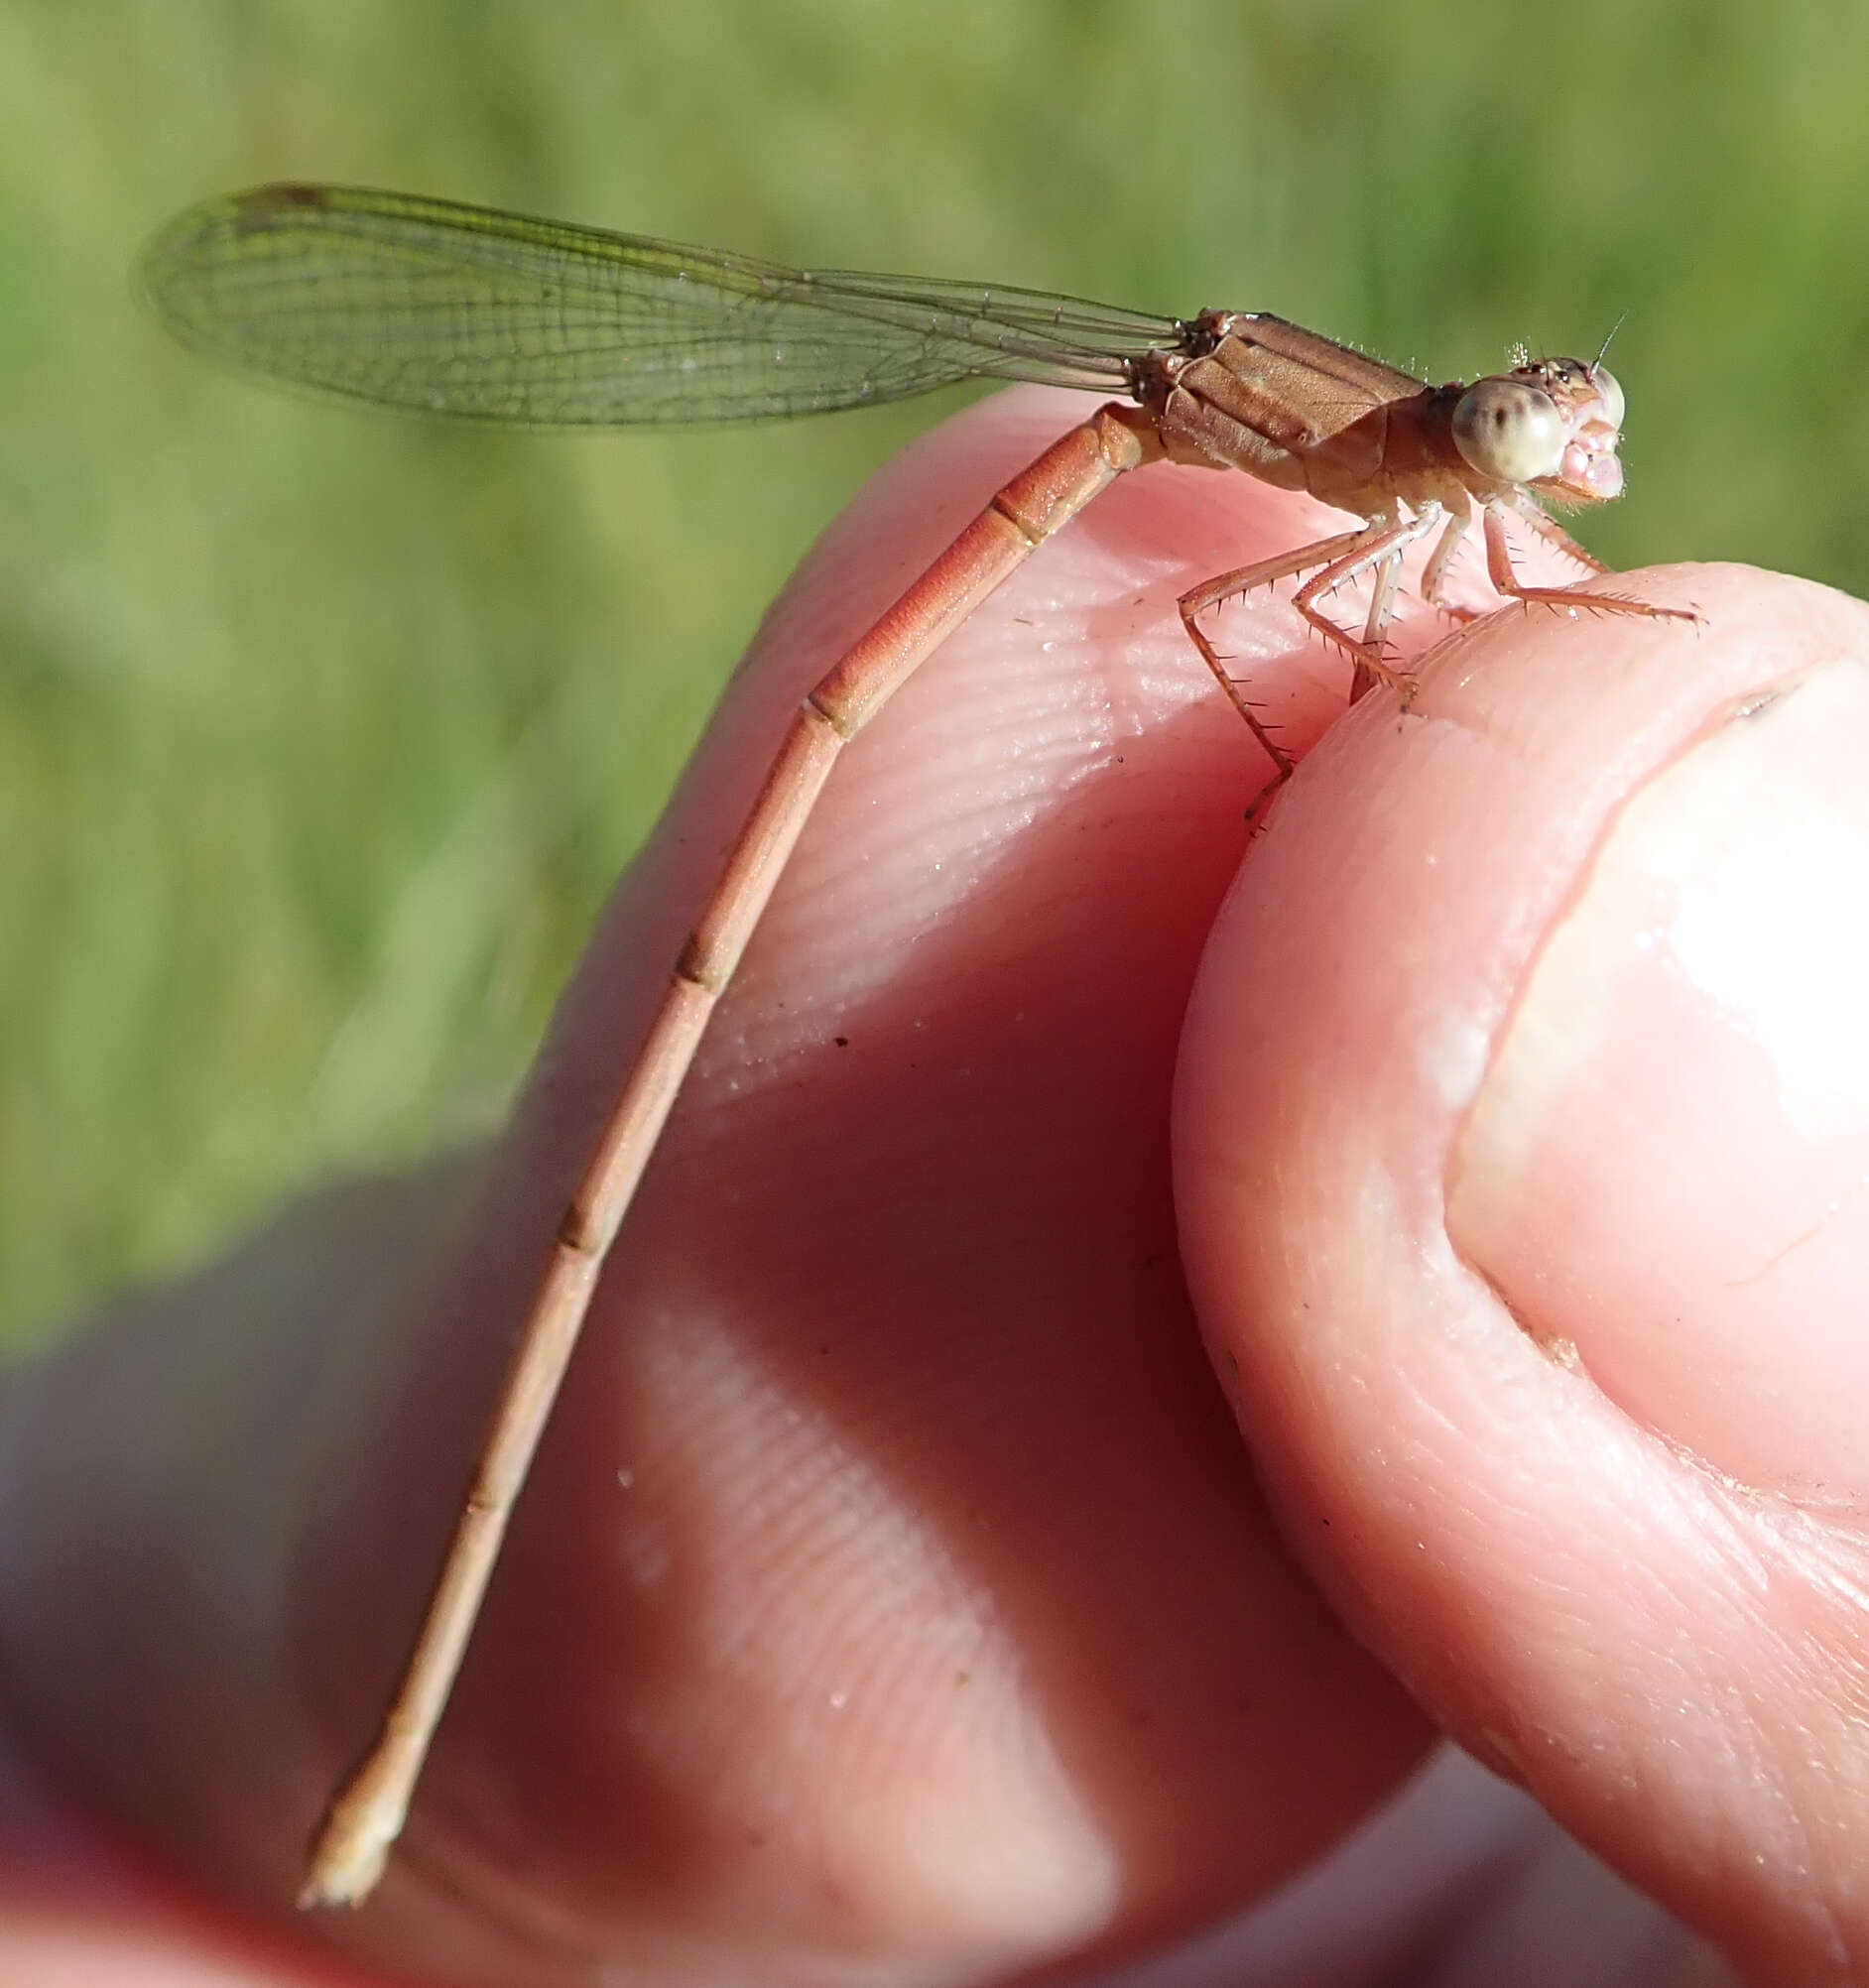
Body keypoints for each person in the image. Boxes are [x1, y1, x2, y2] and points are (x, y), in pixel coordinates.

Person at [1, 385, 1845, 1985]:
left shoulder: (1433, 476)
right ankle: (375, 1750)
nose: (1561, 453)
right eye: (1533, 432)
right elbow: (1220, 609)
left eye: (1558, 420)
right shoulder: (1346, 471)